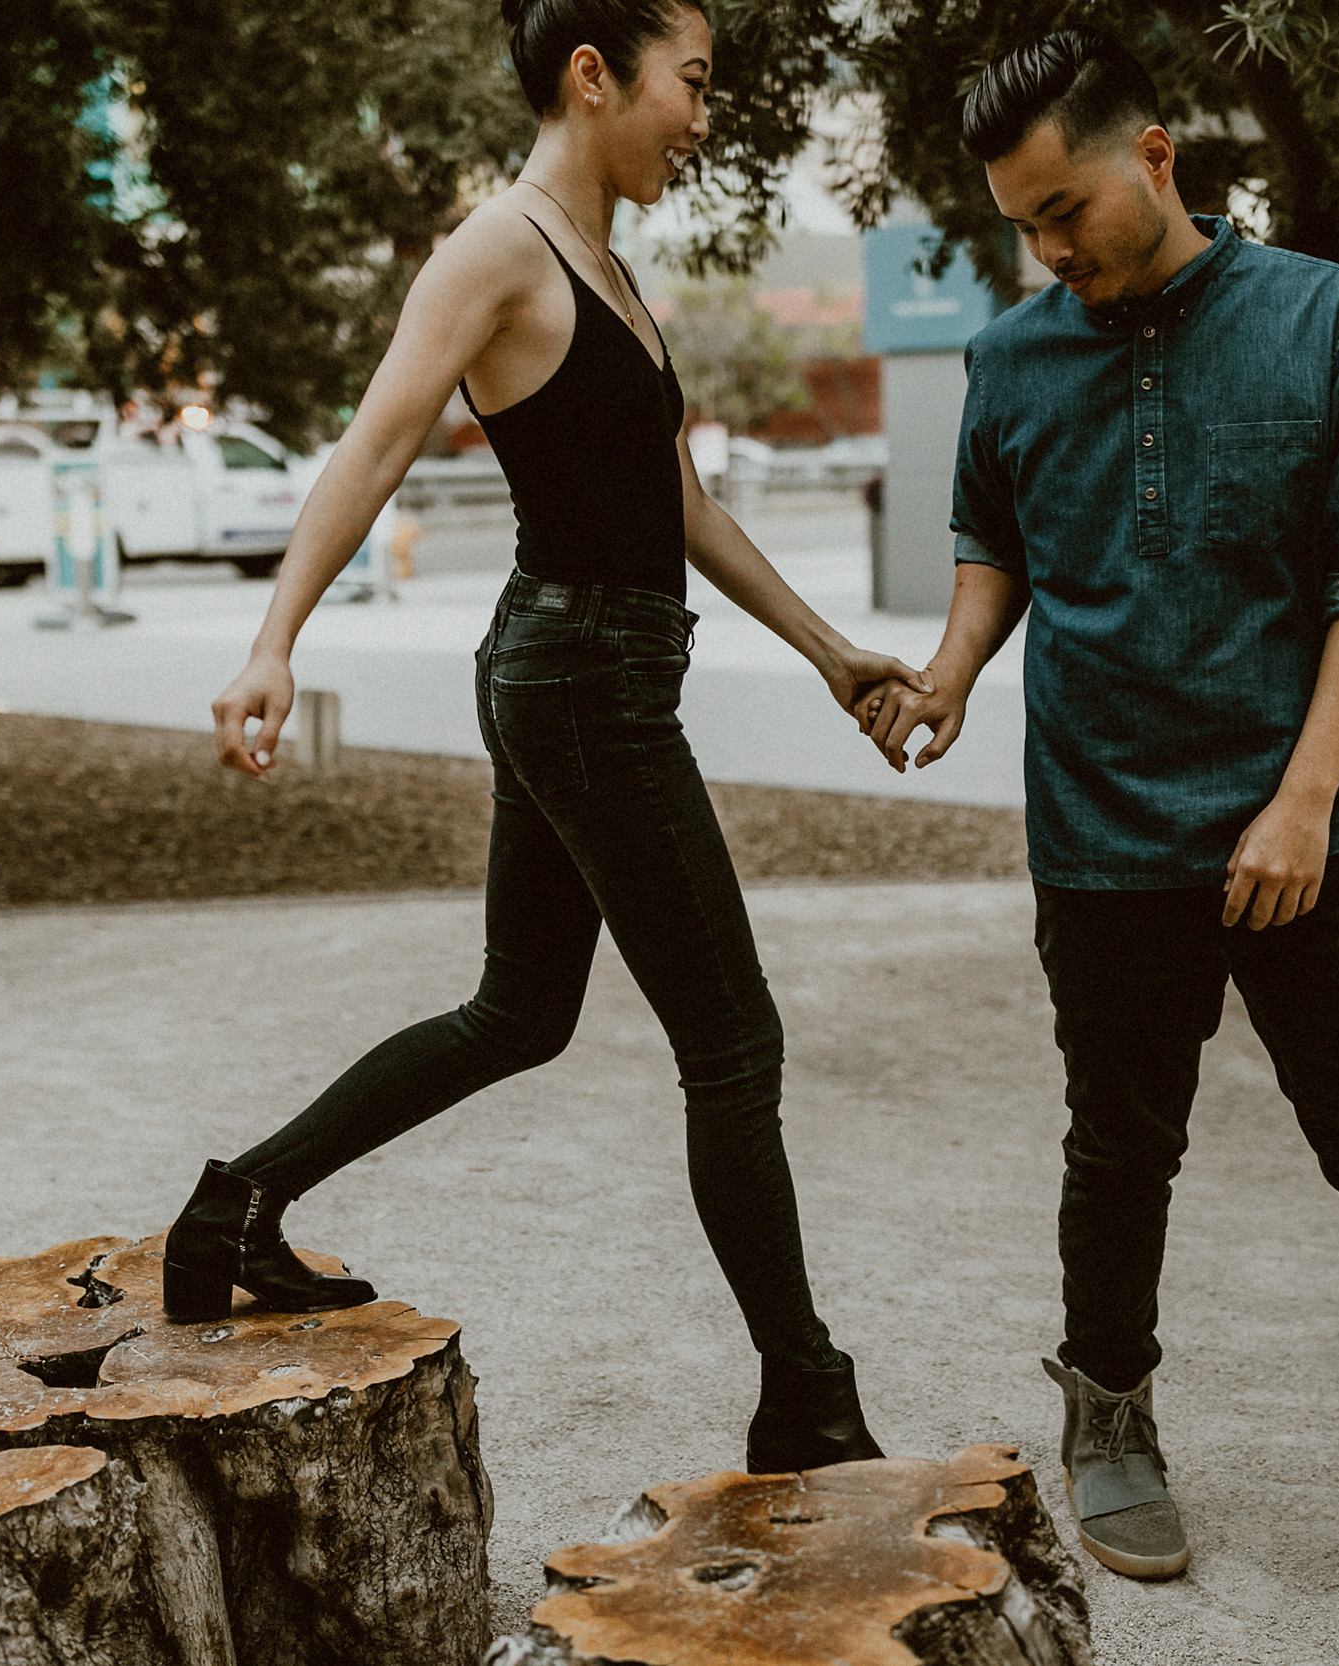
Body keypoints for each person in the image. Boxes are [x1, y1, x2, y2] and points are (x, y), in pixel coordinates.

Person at [857, 28, 1339, 1623]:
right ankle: (1110, 1416)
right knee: (1122, 1144)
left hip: (1328, 814)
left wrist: (1305, 799)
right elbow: (997, 545)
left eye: (1064, 211)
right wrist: (951, 674)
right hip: (1106, 821)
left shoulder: (1329, 317)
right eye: (1023, 227)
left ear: (1157, 155)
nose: (1048, 253)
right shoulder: (1009, 360)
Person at [164, 0, 924, 1474]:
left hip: (586, 667)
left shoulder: (604, 266)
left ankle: (234, 1206)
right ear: (594, 75)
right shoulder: (498, 250)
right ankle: (807, 1399)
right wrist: (272, 642)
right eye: (689, 83)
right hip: (581, 678)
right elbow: (376, 442)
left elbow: (676, 501)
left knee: (521, 1012)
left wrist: (830, 651)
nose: (701, 117)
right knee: (733, 1040)